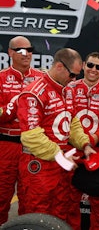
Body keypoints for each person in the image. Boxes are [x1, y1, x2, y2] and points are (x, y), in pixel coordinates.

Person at [16, 48, 97, 222]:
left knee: (62, 213)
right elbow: (31, 136)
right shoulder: (34, 93)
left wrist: (85, 145)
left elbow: (72, 121)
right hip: (38, 167)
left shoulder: (66, 90)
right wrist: (59, 156)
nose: (74, 80)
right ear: (59, 66)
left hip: (61, 164)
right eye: (72, 75)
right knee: (37, 216)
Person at [66, 52, 99, 230]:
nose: (93, 70)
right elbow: (64, 120)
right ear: (83, 65)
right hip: (72, 152)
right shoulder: (69, 89)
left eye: (98, 67)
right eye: (90, 65)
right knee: (68, 199)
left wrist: (93, 139)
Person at [0, 36, 44, 225]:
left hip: (33, 148)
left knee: (31, 198)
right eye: (21, 50)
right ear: (10, 53)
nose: (27, 54)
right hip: (7, 145)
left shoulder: (41, 78)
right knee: (1, 196)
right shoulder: (1, 78)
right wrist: (17, 103)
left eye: (30, 49)